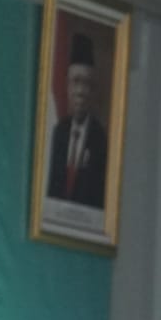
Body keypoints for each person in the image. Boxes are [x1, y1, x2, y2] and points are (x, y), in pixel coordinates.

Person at [45, 31, 108, 208]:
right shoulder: (59, 132)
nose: (80, 91)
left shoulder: (100, 138)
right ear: (67, 87)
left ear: (93, 91)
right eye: (76, 82)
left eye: (86, 83)